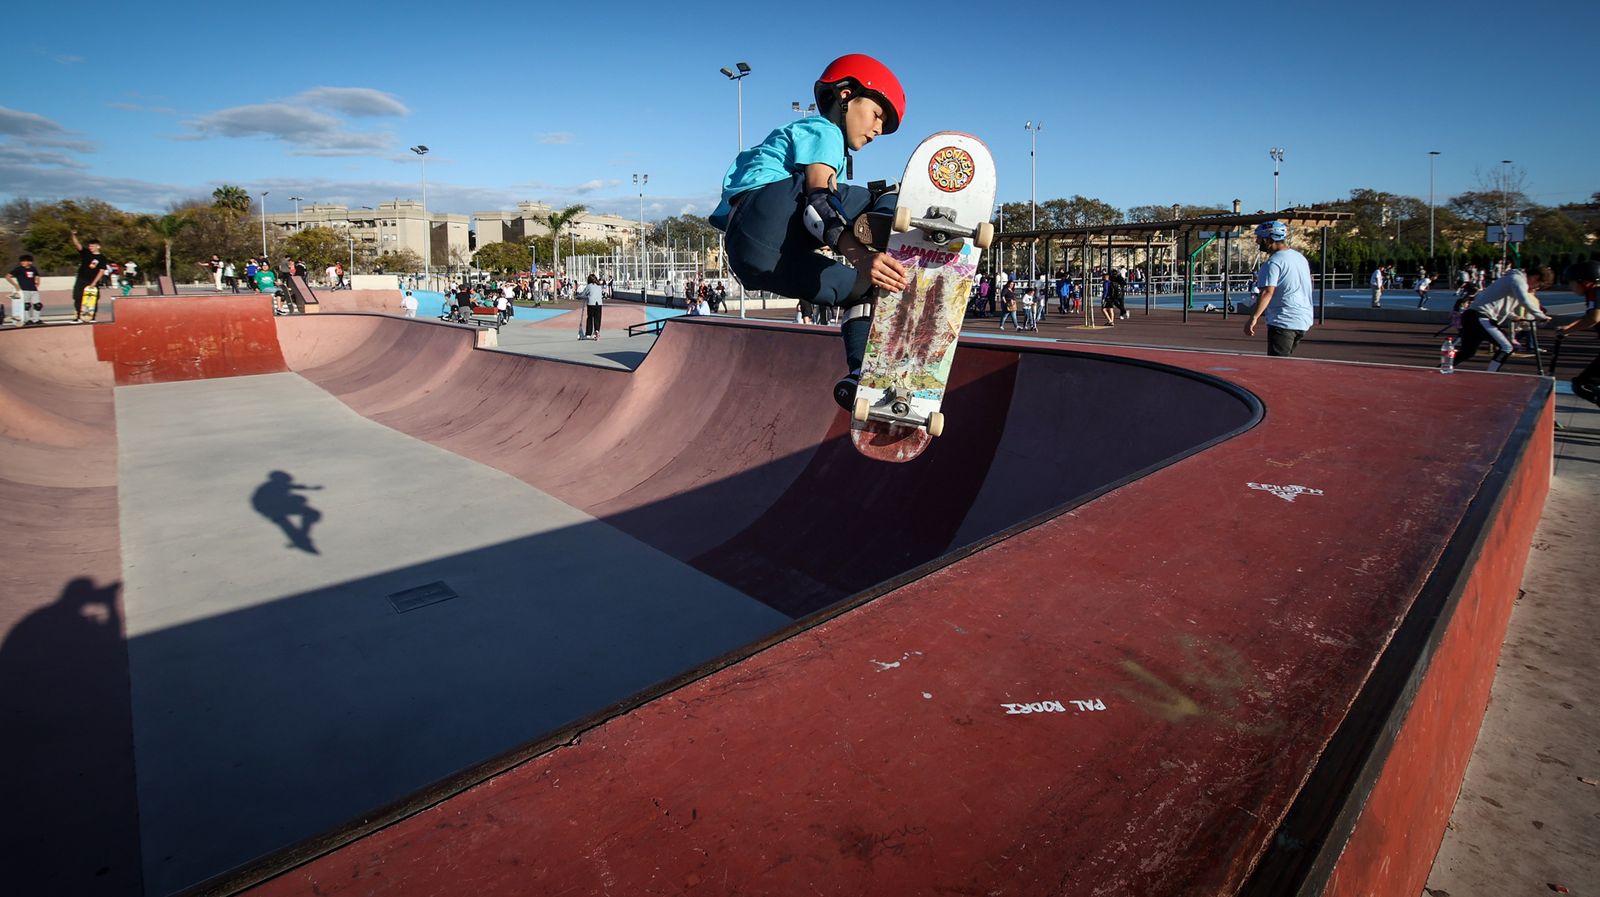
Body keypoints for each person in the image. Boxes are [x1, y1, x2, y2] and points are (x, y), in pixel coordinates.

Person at [710, 54, 909, 410]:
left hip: (753, 258)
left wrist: (862, 267)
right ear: (846, 94)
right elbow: (817, 203)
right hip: (771, 211)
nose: (878, 129)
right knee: (885, 193)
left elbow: (807, 214)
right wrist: (861, 255)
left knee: (861, 293)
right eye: (877, 114)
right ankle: (882, 218)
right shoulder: (824, 131)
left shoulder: (813, 143)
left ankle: (862, 377)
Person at [1455, 266, 1553, 371]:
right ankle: (1491, 375)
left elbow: (1498, 303)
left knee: (1467, 352)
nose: (1536, 288)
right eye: (1539, 285)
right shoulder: (1518, 280)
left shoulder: (1512, 279)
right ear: (1535, 277)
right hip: (1480, 317)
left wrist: (1514, 316)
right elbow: (1524, 301)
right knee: (1507, 347)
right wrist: (1541, 316)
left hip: (1473, 316)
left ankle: (1440, 369)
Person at [1243, 220, 1315, 357]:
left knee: (1277, 365)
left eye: (1259, 238)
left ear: (1268, 239)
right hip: (1303, 318)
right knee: (1285, 361)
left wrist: (1253, 317)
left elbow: (1267, 292)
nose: (1257, 242)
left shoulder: (1273, 262)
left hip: (1284, 319)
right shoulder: (1299, 258)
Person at [1553, 260, 1600, 405]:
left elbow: (1594, 318)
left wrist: (1567, 330)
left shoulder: (1596, 291)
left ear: (1584, 282)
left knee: (1583, 385)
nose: (1570, 286)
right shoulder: (1594, 292)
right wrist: (1568, 328)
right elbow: (1588, 317)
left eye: (1571, 282)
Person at [68, 230, 106, 323]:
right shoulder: (86, 253)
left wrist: (94, 282)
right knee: (77, 296)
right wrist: (73, 235)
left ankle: (92, 317)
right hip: (81, 279)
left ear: (98, 246)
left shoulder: (102, 258)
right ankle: (78, 316)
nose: (90, 247)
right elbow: (77, 244)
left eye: (92, 246)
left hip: (92, 281)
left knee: (92, 298)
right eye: (89, 246)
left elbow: (101, 271)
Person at [5, 253, 44, 326]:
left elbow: (37, 275)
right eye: (22, 261)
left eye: (25, 261)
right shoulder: (18, 269)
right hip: (24, 290)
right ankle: (27, 320)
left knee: (38, 305)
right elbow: (7, 276)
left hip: (33, 289)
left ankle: (36, 320)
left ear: (30, 262)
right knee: (26, 305)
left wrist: (38, 282)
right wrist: (16, 285)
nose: (22, 262)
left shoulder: (33, 268)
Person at [582, 273, 604, 339]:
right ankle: (596, 331)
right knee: (597, 318)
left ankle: (588, 333)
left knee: (590, 318)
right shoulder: (599, 286)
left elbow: (583, 294)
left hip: (591, 304)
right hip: (599, 304)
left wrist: (578, 296)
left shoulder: (589, 286)